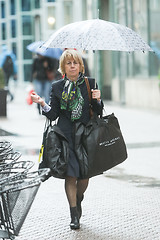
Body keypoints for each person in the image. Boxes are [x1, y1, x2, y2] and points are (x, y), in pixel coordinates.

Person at [31, 49, 103, 230]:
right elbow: (54, 113)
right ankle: (74, 214)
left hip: (85, 134)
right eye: (69, 63)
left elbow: (99, 112)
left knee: (85, 176)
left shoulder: (90, 83)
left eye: (75, 63)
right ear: (63, 67)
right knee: (71, 174)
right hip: (65, 136)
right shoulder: (57, 86)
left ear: (81, 66)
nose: (72, 66)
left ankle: (78, 199)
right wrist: (42, 104)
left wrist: (98, 100)